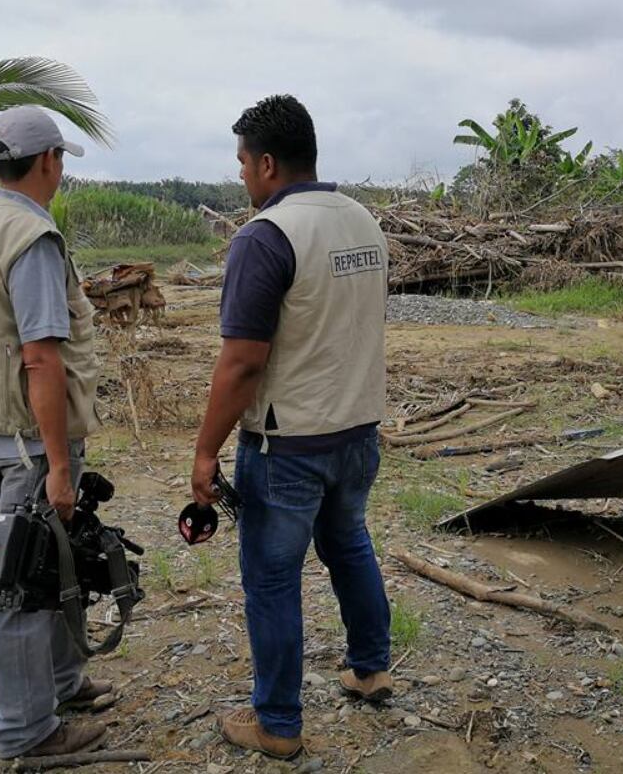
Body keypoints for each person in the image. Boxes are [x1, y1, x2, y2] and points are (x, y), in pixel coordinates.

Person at [191, 94, 393, 759]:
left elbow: (244, 362)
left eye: (244, 164)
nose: (242, 178)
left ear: (269, 164)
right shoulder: (362, 221)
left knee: (272, 580)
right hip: (358, 432)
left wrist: (203, 453)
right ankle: (370, 668)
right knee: (349, 545)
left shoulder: (266, 236)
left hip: (288, 448)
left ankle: (277, 724)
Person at [0, 106, 111, 760]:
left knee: (58, 562)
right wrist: (61, 465)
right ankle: (26, 730)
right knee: (18, 580)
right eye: (61, 160)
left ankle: (64, 685)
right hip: (31, 439)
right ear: (49, 163)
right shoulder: (31, 238)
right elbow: (39, 356)